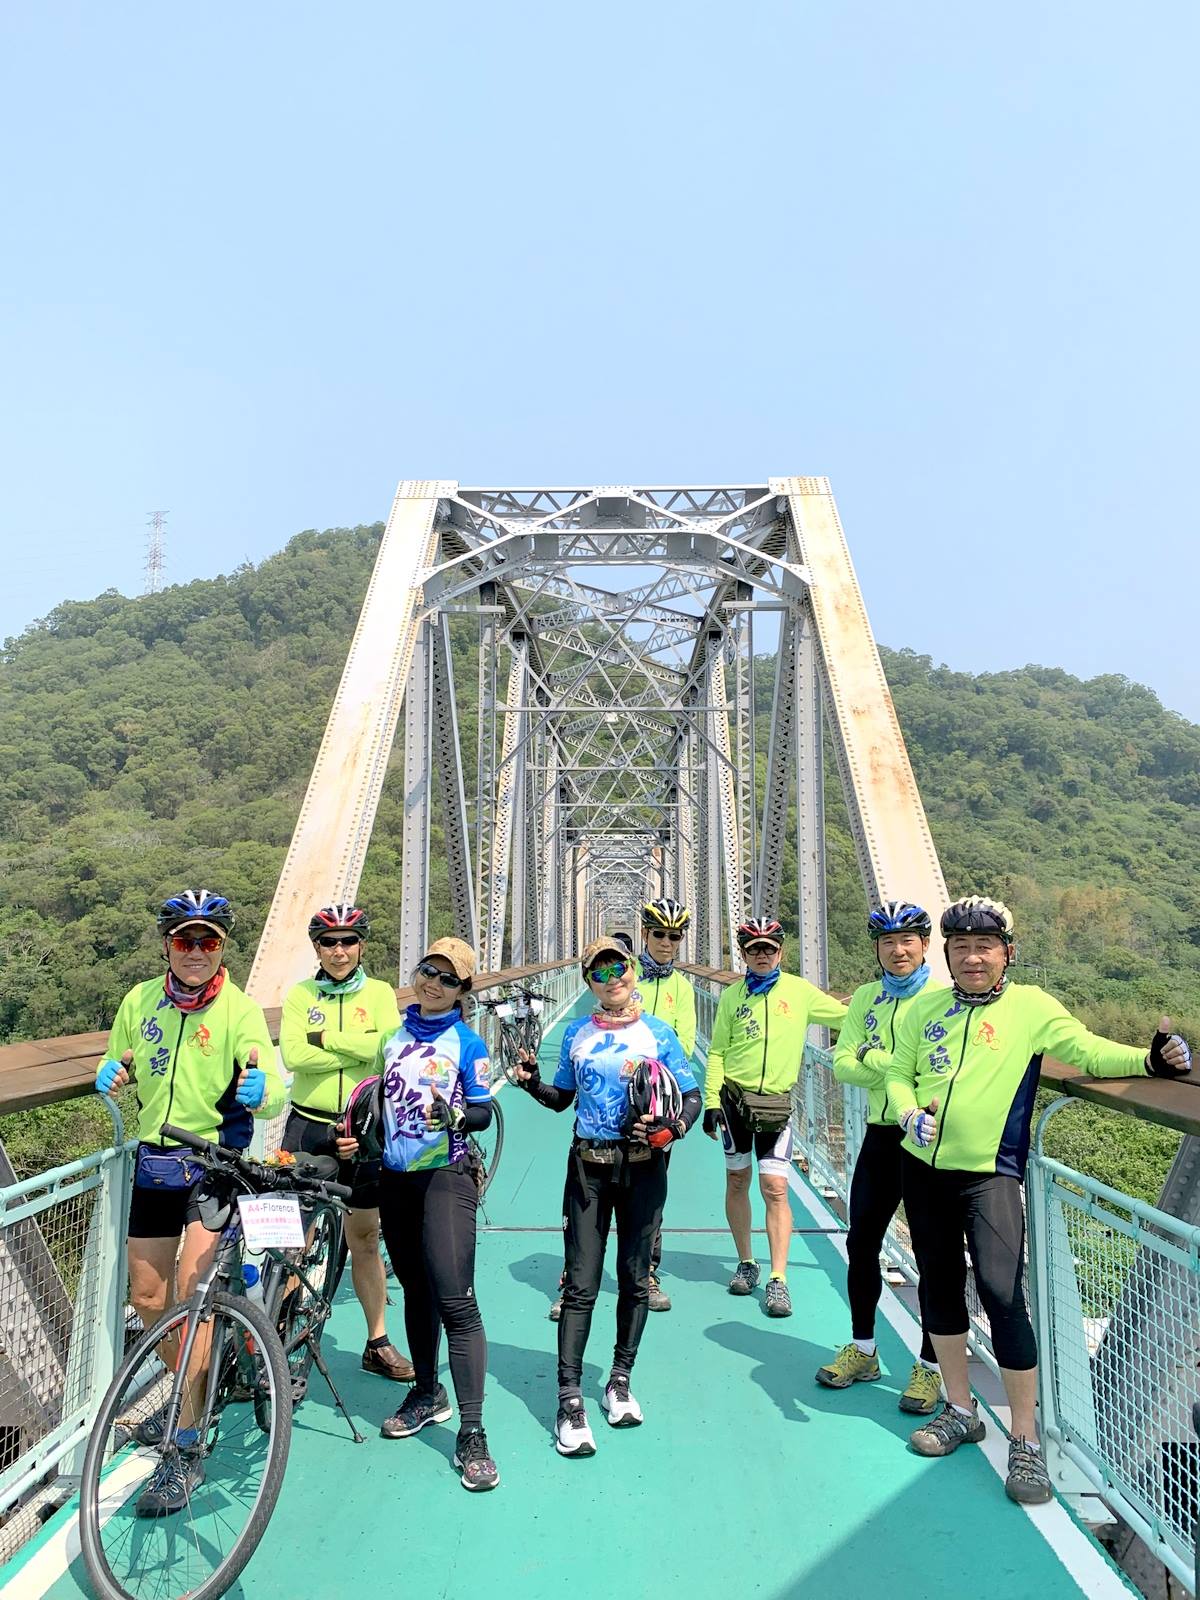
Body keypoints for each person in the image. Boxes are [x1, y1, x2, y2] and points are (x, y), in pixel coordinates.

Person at [886, 896, 1193, 1504]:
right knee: (940, 1288)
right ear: (946, 954)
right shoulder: (927, 1008)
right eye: (961, 947)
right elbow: (899, 1070)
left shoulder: (1030, 1008)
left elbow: (1087, 1050)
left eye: (985, 946)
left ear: (1007, 953)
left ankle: (1024, 1442)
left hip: (991, 1176)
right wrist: (903, 1112)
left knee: (1003, 1296)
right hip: (923, 1170)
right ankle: (960, 1409)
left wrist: (1149, 1060)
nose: (973, 957)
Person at [94, 890, 282, 1515]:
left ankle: (187, 1440)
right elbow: (118, 1054)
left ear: (222, 947)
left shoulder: (238, 1010)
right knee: (147, 1298)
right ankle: (188, 1389)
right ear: (167, 946)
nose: (197, 953)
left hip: (213, 1168)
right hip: (154, 1163)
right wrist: (110, 1072)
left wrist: (263, 1089)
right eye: (185, 941)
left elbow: (274, 1087)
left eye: (209, 942)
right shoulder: (139, 1001)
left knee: (192, 1302)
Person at [516, 936, 701, 1456]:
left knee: (635, 1279)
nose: (612, 977)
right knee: (580, 1285)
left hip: (645, 1167)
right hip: (588, 1169)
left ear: (634, 971)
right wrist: (531, 1084)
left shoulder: (658, 1034)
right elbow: (561, 1100)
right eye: (600, 971)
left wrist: (676, 1130)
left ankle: (620, 1380)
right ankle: (570, 1399)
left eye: (619, 966)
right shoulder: (576, 1033)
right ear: (588, 981)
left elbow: (691, 1095)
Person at [366, 938, 499, 1492]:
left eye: (447, 979)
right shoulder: (392, 1038)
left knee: (454, 1297)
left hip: (447, 1173)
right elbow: (372, 1097)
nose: (433, 983)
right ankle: (427, 1391)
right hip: (396, 1176)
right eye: (427, 971)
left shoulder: (468, 1043)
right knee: (416, 1290)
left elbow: (483, 1111)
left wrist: (458, 1115)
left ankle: (473, 1433)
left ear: (463, 990)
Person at [278, 903, 413, 1384]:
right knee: (291, 1240)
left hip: (363, 1129)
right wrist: (356, 1039)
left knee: (364, 1238)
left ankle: (377, 1342)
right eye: (330, 941)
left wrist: (325, 1038)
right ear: (317, 947)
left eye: (349, 940)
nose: (340, 950)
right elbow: (293, 1054)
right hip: (308, 1127)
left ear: (361, 946)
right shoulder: (300, 994)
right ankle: (274, 1343)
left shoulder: (379, 992)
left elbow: (386, 1047)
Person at [817, 901, 941, 1415]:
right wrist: (886, 1067)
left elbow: (935, 1074)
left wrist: (875, 1056)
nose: (897, 949)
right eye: (887, 941)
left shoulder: (945, 997)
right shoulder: (867, 997)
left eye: (907, 939)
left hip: (932, 1140)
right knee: (861, 1241)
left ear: (925, 944)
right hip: (880, 1134)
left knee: (936, 1256)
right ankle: (864, 1351)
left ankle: (931, 1368)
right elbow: (842, 1064)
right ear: (877, 948)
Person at [547, 897, 697, 1319]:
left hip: (655, 1106)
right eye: (661, 934)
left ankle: (645, 1271)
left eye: (675, 935)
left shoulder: (682, 989)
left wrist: (659, 1084)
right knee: (581, 1211)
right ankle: (572, 1277)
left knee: (651, 1192)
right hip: (598, 1127)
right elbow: (564, 1091)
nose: (668, 942)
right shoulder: (623, 983)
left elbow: (683, 1041)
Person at [702, 917, 847, 1316]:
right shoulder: (733, 997)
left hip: (776, 1104)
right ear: (744, 954)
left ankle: (778, 1278)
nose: (762, 954)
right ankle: (747, 1262)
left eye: (769, 947)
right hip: (734, 1101)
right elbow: (716, 1052)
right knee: (737, 1179)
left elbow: (846, 1017)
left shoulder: (799, 992)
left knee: (775, 1187)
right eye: (754, 949)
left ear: (781, 952)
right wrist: (712, 1100)